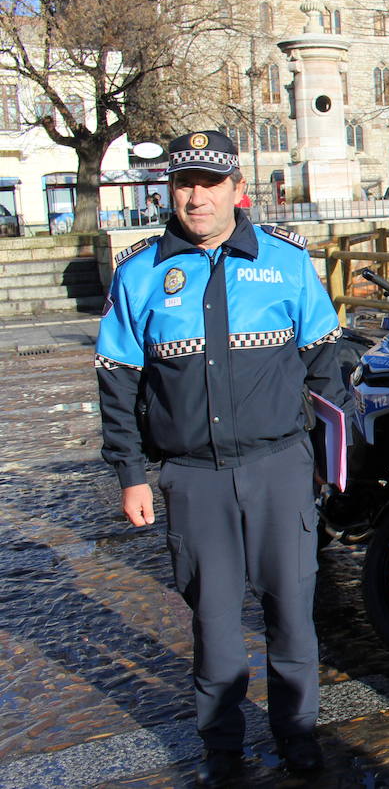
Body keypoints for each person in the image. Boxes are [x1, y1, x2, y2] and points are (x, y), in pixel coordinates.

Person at [95, 130, 344, 786]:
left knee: (292, 615)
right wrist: (130, 474)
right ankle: (222, 748)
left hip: (279, 468)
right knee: (213, 624)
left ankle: (298, 733)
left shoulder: (286, 262)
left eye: (210, 183)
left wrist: (329, 457)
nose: (196, 196)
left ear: (238, 189)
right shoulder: (139, 272)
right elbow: (117, 380)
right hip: (193, 478)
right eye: (185, 183)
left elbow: (326, 364)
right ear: (170, 191)